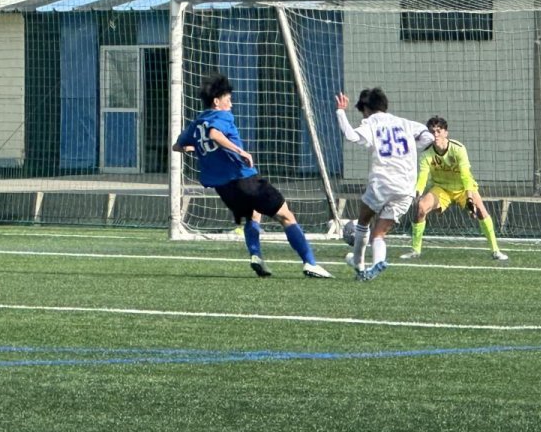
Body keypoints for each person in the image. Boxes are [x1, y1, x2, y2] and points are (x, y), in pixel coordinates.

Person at [173, 73, 332, 278]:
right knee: (286, 216)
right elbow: (215, 134)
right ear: (216, 101)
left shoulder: (196, 124)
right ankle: (310, 263)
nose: (230, 105)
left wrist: (201, 149)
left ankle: (256, 255)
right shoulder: (222, 116)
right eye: (228, 100)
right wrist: (241, 152)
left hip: (224, 189)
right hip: (244, 179)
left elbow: (178, 146)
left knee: (253, 214)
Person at [335, 88, 431, 281]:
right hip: (406, 187)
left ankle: (359, 264)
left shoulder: (370, 122)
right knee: (379, 233)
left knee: (363, 221)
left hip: (383, 182)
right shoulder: (404, 123)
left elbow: (351, 136)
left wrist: (340, 112)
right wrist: (411, 149)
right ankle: (378, 261)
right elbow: (428, 136)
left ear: (367, 109)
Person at [404, 116, 508, 262]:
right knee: (421, 207)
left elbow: (466, 176)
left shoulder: (458, 149)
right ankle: (415, 250)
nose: (435, 134)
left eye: (439, 131)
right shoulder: (426, 154)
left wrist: (470, 199)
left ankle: (495, 251)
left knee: (481, 212)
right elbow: (422, 177)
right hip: (441, 189)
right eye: (432, 131)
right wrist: (417, 193)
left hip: (462, 188)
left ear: (446, 133)